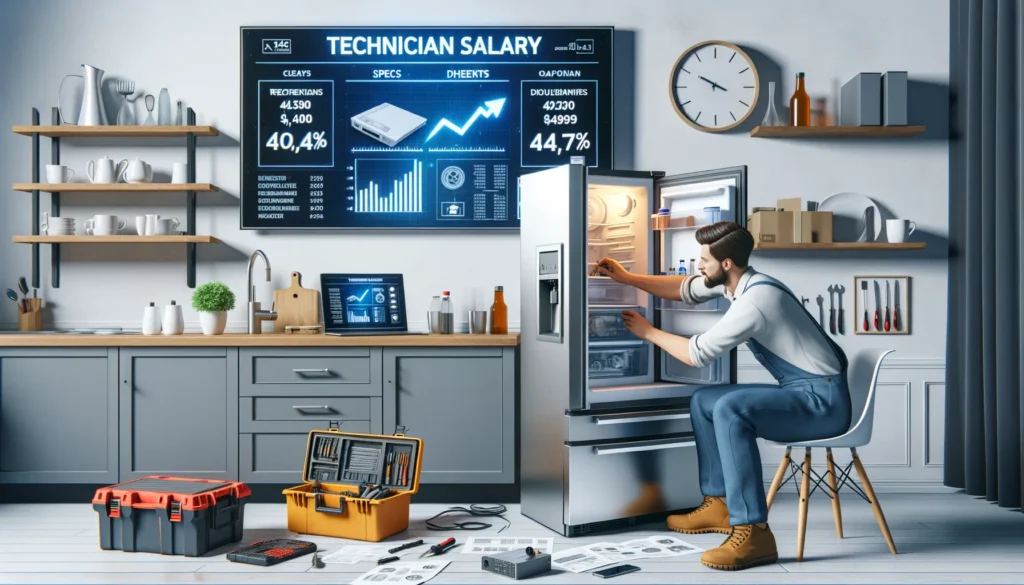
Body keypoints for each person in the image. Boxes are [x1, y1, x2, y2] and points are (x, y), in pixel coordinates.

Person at [594, 221, 851, 571]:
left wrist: (648, 331)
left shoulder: (757, 300)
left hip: (824, 404)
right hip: (799, 390)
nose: (699, 265)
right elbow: (684, 289)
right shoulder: (739, 283)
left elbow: (696, 354)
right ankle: (719, 504)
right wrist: (629, 278)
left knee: (731, 407)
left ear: (726, 263)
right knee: (705, 400)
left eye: (704, 259)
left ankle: (754, 531)